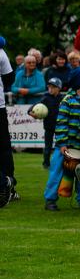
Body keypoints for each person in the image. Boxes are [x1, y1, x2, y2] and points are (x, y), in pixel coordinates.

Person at [44, 67, 80, 211]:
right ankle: (50, 199)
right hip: (65, 147)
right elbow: (61, 122)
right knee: (56, 173)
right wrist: (62, 143)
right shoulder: (67, 100)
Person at [31, 77, 64, 169]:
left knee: (62, 145)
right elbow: (32, 109)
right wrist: (32, 113)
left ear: (59, 88)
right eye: (49, 86)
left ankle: (63, 162)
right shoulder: (45, 98)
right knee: (47, 147)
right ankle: (46, 163)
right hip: (48, 126)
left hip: (60, 127)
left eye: (53, 87)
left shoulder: (63, 98)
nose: (50, 89)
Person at [0, 43, 16, 201]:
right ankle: (8, 183)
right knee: (4, 148)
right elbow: (9, 78)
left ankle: (6, 184)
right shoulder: (1, 52)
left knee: (3, 148)